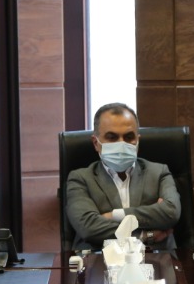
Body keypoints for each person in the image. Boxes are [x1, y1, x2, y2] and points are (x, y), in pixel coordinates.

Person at [65, 103, 181, 250]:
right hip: (100, 259)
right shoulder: (80, 178)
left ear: (137, 140)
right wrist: (145, 235)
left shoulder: (158, 172)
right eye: (112, 137)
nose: (121, 143)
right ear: (96, 143)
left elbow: (171, 213)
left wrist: (114, 215)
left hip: (155, 258)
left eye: (128, 137)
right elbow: (88, 227)